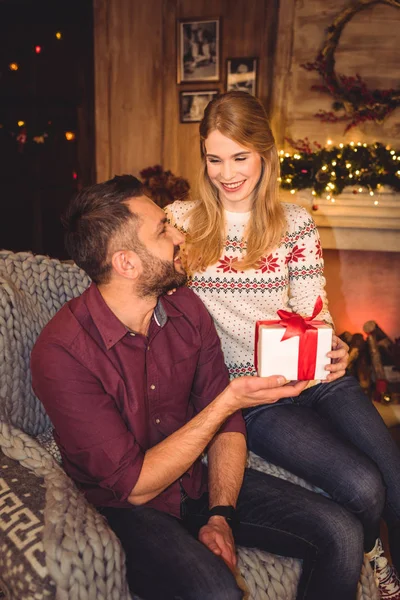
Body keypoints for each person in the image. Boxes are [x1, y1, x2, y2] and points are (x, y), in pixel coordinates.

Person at [32, 175, 368, 600]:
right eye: (162, 230)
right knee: (216, 590)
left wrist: (221, 514)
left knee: (341, 532)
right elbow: (136, 484)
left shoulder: (186, 307)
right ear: (126, 263)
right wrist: (229, 400)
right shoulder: (62, 352)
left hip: (195, 482)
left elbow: (228, 425)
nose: (178, 234)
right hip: (125, 509)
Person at [165, 90, 400, 597]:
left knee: (396, 480)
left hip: (316, 376)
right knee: (363, 486)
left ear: (264, 155)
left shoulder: (294, 223)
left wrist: (334, 344)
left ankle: (393, 576)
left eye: (240, 157)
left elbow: (315, 308)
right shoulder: (181, 222)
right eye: (214, 158)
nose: (226, 173)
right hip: (255, 394)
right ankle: (370, 549)